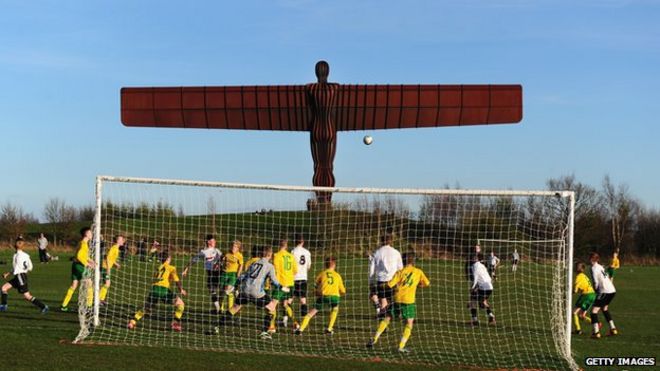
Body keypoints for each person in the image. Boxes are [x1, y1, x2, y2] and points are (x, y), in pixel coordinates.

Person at [367, 252, 429, 353]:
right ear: (413, 261)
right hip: (409, 301)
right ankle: (401, 346)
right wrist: (417, 285)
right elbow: (426, 283)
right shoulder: (418, 272)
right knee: (409, 323)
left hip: (397, 299)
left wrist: (379, 287)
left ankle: (375, 338)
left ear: (403, 261)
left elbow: (390, 285)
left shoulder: (400, 272)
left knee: (387, 318)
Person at [219, 245, 282, 340]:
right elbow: (274, 281)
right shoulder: (270, 266)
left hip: (244, 290)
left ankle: (217, 326)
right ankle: (264, 332)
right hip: (257, 292)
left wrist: (235, 285)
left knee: (234, 308)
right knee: (272, 308)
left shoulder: (254, 263)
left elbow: (243, 276)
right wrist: (282, 287)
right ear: (270, 255)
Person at [128, 251, 187, 332]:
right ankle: (175, 323)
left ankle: (132, 321)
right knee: (181, 304)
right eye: (170, 257)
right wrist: (181, 290)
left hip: (154, 289)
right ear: (168, 259)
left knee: (147, 308)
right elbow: (177, 281)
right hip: (164, 290)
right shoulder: (171, 268)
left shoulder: (158, 268)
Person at [295, 256, 346, 336]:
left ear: (325, 265)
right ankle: (329, 329)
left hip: (323, 296)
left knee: (311, 313)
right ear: (334, 265)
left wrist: (316, 292)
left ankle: (300, 329)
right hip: (335, 297)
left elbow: (315, 284)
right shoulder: (337, 275)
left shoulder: (322, 274)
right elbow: (343, 291)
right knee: (335, 308)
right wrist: (340, 292)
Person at [0, 237, 48, 313]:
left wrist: (8, 273)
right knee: (4, 288)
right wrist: (23, 271)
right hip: (20, 276)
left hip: (20, 277)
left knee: (27, 296)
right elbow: (30, 267)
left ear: (15, 245)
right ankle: (3, 306)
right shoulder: (26, 255)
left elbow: (16, 268)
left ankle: (43, 306)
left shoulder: (16, 256)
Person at [182, 235, 223, 313]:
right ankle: (218, 309)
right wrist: (186, 269)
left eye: (214, 241)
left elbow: (223, 258)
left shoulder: (217, 250)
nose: (215, 242)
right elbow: (193, 260)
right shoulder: (203, 252)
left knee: (222, 289)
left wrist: (221, 263)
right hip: (210, 274)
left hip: (219, 273)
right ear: (208, 242)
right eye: (213, 241)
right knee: (213, 290)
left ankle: (221, 307)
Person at [61, 227, 96, 312]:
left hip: (75, 265)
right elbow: (79, 256)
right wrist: (87, 264)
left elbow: (83, 256)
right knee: (89, 283)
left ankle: (64, 305)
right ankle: (89, 306)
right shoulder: (84, 244)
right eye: (91, 233)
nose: (92, 235)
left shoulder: (81, 243)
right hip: (80, 266)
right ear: (86, 234)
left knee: (74, 285)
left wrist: (92, 261)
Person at [368, 233, 403, 317]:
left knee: (379, 298)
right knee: (387, 300)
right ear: (391, 241)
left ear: (381, 241)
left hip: (381, 280)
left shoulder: (377, 253)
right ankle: (386, 314)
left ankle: (381, 314)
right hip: (393, 280)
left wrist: (371, 282)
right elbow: (400, 269)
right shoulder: (396, 252)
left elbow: (371, 270)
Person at [271, 236, 298, 331]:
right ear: (286, 246)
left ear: (279, 245)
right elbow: (295, 270)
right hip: (290, 283)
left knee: (273, 304)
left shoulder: (276, 255)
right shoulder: (291, 256)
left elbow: (275, 270)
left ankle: (271, 326)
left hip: (281, 284)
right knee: (285, 304)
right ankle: (295, 323)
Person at [589, 252, 618, 338]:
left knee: (593, 311)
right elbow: (607, 276)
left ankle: (596, 332)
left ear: (591, 259)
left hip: (604, 291)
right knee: (604, 308)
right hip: (612, 290)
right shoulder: (600, 266)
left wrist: (595, 290)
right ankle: (613, 329)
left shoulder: (593, 268)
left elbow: (595, 282)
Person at [469, 253, 495, 326]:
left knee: (474, 301)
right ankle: (491, 316)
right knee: (482, 301)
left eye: (475, 256)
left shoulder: (475, 266)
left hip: (484, 287)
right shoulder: (482, 265)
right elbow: (489, 278)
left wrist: (472, 288)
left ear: (477, 258)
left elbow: (476, 278)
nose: (473, 257)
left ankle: (475, 321)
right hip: (489, 287)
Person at [99, 235, 125, 305]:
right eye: (122, 239)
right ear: (118, 241)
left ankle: (101, 299)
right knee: (107, 283)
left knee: (107, 283)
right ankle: (99, 299)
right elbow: (107, 258)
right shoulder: (114, 248)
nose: (123, 241)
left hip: (106, 267)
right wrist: (108, 269)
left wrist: (116, 264)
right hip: (105, 268)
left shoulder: (116, 248)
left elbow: (111, 258)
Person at [291, 234, 312, 318]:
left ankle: (285, 318)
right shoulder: (307, 252)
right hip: (303, 278)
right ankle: (304, 319)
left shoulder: (293, 251)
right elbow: (309, 266)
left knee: (289, 299)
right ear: (303, 242)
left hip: (294, 278)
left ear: (295, 242)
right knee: (303, 299)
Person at [219, 240, 243, 312]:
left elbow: (241, 265)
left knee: (228, 290)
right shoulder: (227, 253)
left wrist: (238, 273)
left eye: (235, 246)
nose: (233, 247)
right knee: (222, 292)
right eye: (232, 245)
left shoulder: (239, 255)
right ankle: (221, 308)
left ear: (238, 248)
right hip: (224, 273)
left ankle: (230, 309)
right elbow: (221, 260)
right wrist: (222, 263)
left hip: (233, 274)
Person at [573, 262, 595, 335]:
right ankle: (596, 323)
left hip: (586, 295)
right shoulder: (584, 275)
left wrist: (567, 294)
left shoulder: (579, 277)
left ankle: (578, 330)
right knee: (581, 316)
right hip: (592, 295)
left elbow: (575, 290)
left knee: (574, 312)